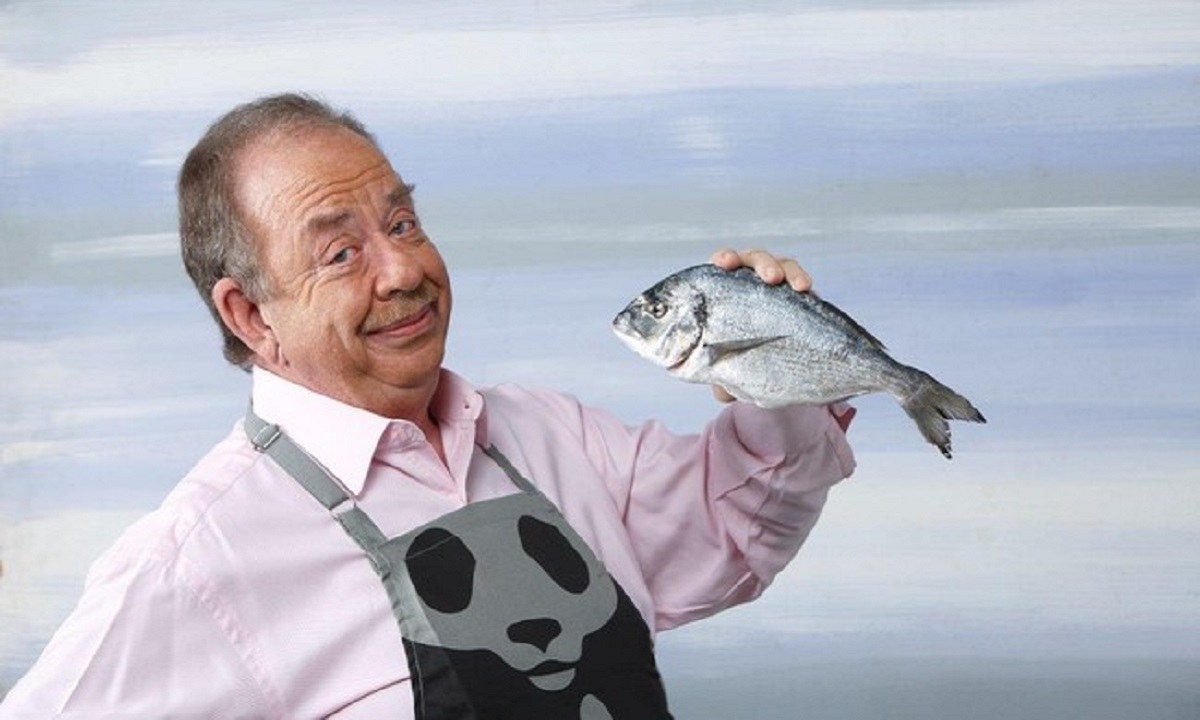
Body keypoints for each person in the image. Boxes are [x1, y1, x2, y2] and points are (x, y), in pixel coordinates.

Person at [0, 93, 855, 719]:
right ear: (251, 316)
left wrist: (777, 367)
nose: (404, 270)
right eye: (341, 253)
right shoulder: (195, 561)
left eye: (403, 223)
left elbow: (735, 531)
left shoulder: (546, 435)